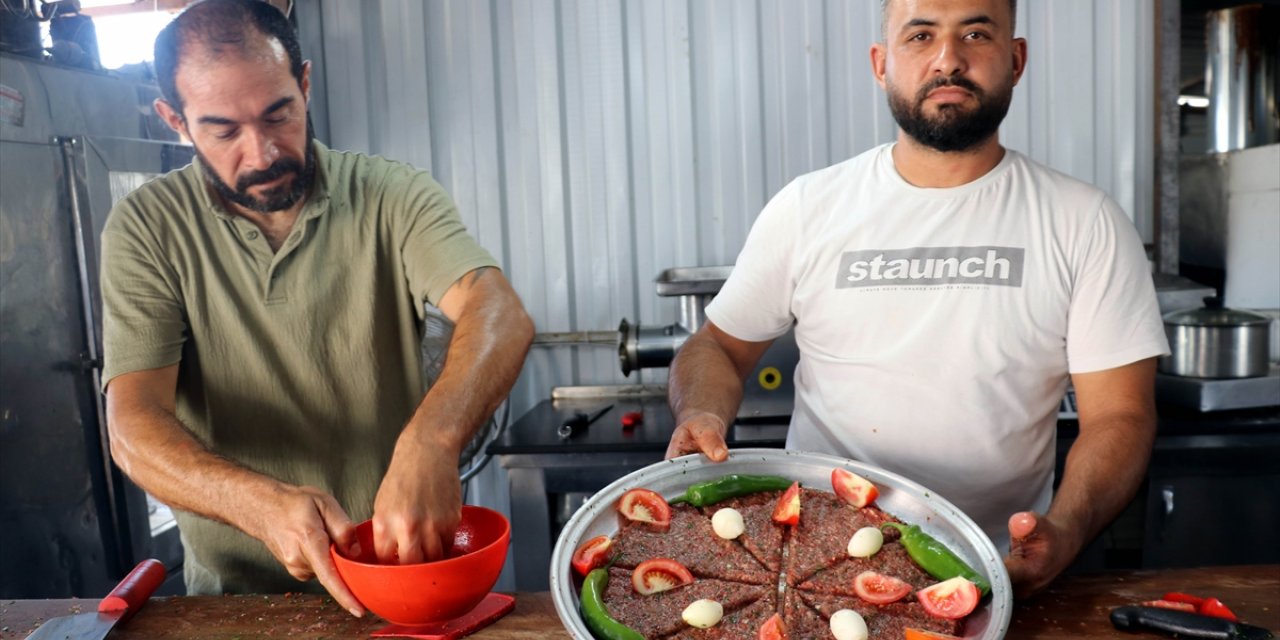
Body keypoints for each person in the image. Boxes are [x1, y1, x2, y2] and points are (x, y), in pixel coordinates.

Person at [664, 0, 1168, 598]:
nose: (948, 59)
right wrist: (701, 413)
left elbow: (1121, 416)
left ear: (1016, 58)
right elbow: (716, 347)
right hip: (809, 573)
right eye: (920, 35)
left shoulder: (1084, 221)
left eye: (976, 33)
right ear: (882, 64)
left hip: (993, 574)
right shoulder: (808, 209)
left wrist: (1067, 528)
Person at [100, 0, 533, 616]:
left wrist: (432, 441)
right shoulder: (145, 228)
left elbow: (499, 312)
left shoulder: (393, 194)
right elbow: (133, 429)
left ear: (304, 84)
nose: (263, 153)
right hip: (238, 604)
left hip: (406, 582)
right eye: (224, 130)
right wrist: (258, 503)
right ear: (175, 119)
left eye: (279, 114)